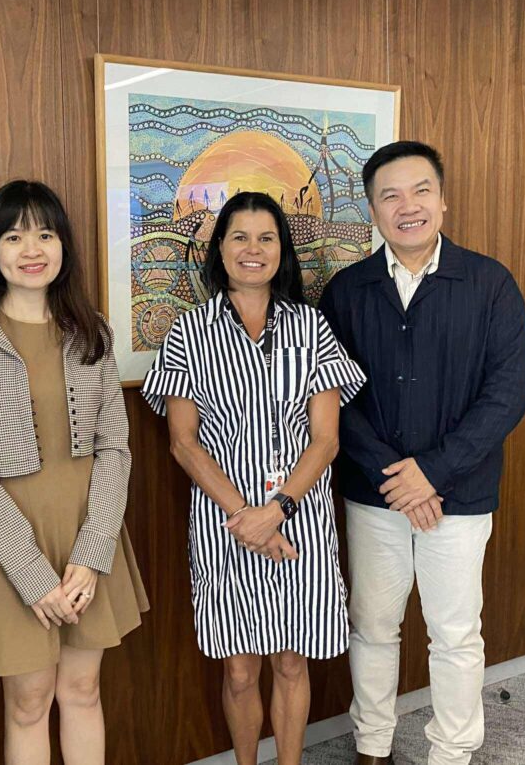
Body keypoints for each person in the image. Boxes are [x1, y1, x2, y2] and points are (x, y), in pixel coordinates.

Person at [319, 141, 525, 765]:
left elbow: (509, 390)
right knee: (373, 626)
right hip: (375, 494)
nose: (406, 206)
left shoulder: (489, 283)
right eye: (390, 196)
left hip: (459, 494)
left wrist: (432, 473)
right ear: (372, 210)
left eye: (420, 191)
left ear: (443, 201)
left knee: (455, 633)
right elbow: (331, 398)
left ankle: (452, 753)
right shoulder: (347, 290)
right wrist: (399, 478)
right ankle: (372, 746)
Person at [142, 192, 366, 765]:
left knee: (291, 662)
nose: (253, 249)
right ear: (220, 248)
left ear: (281, 250)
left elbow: (326, 439)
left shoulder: (311, 326)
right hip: (225, 523)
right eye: (239, 237)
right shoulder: (189, 331)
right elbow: (182, 441)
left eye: (266, 238)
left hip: (300, 519)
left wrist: (277, 510)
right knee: (240, 670)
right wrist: (246, 516)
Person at [0, 180, 148, 765]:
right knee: (29, 703)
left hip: (89, 536)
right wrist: (33, 576)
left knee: (83, 690)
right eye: (14, 237)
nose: (32, 250)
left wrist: (92, 553)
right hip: (7, 544)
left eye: (45, 234)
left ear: (63, 246)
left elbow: (115, 448)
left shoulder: (91, 331)